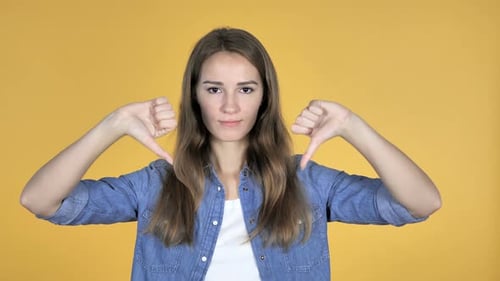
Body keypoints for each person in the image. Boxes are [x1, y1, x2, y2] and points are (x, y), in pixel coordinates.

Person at [20, 27, 441, 281]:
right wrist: (113, 124)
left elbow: (422, 202)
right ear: (195, 97)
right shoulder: (157, 183)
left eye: (246, 89)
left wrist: (352, 125)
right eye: (214, 89)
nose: (229, 106)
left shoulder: (307, 181)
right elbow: (41, 201)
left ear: (264, 98)